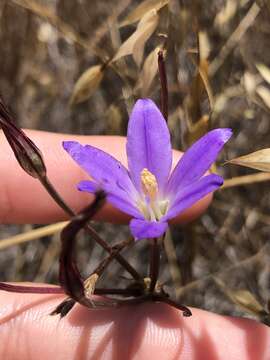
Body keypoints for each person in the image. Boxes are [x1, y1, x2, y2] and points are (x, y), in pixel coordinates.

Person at [0, 130, 269, 359]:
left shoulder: (157, 217)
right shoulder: (145, 225)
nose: (150, 183)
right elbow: (84, 169)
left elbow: (211, 177)